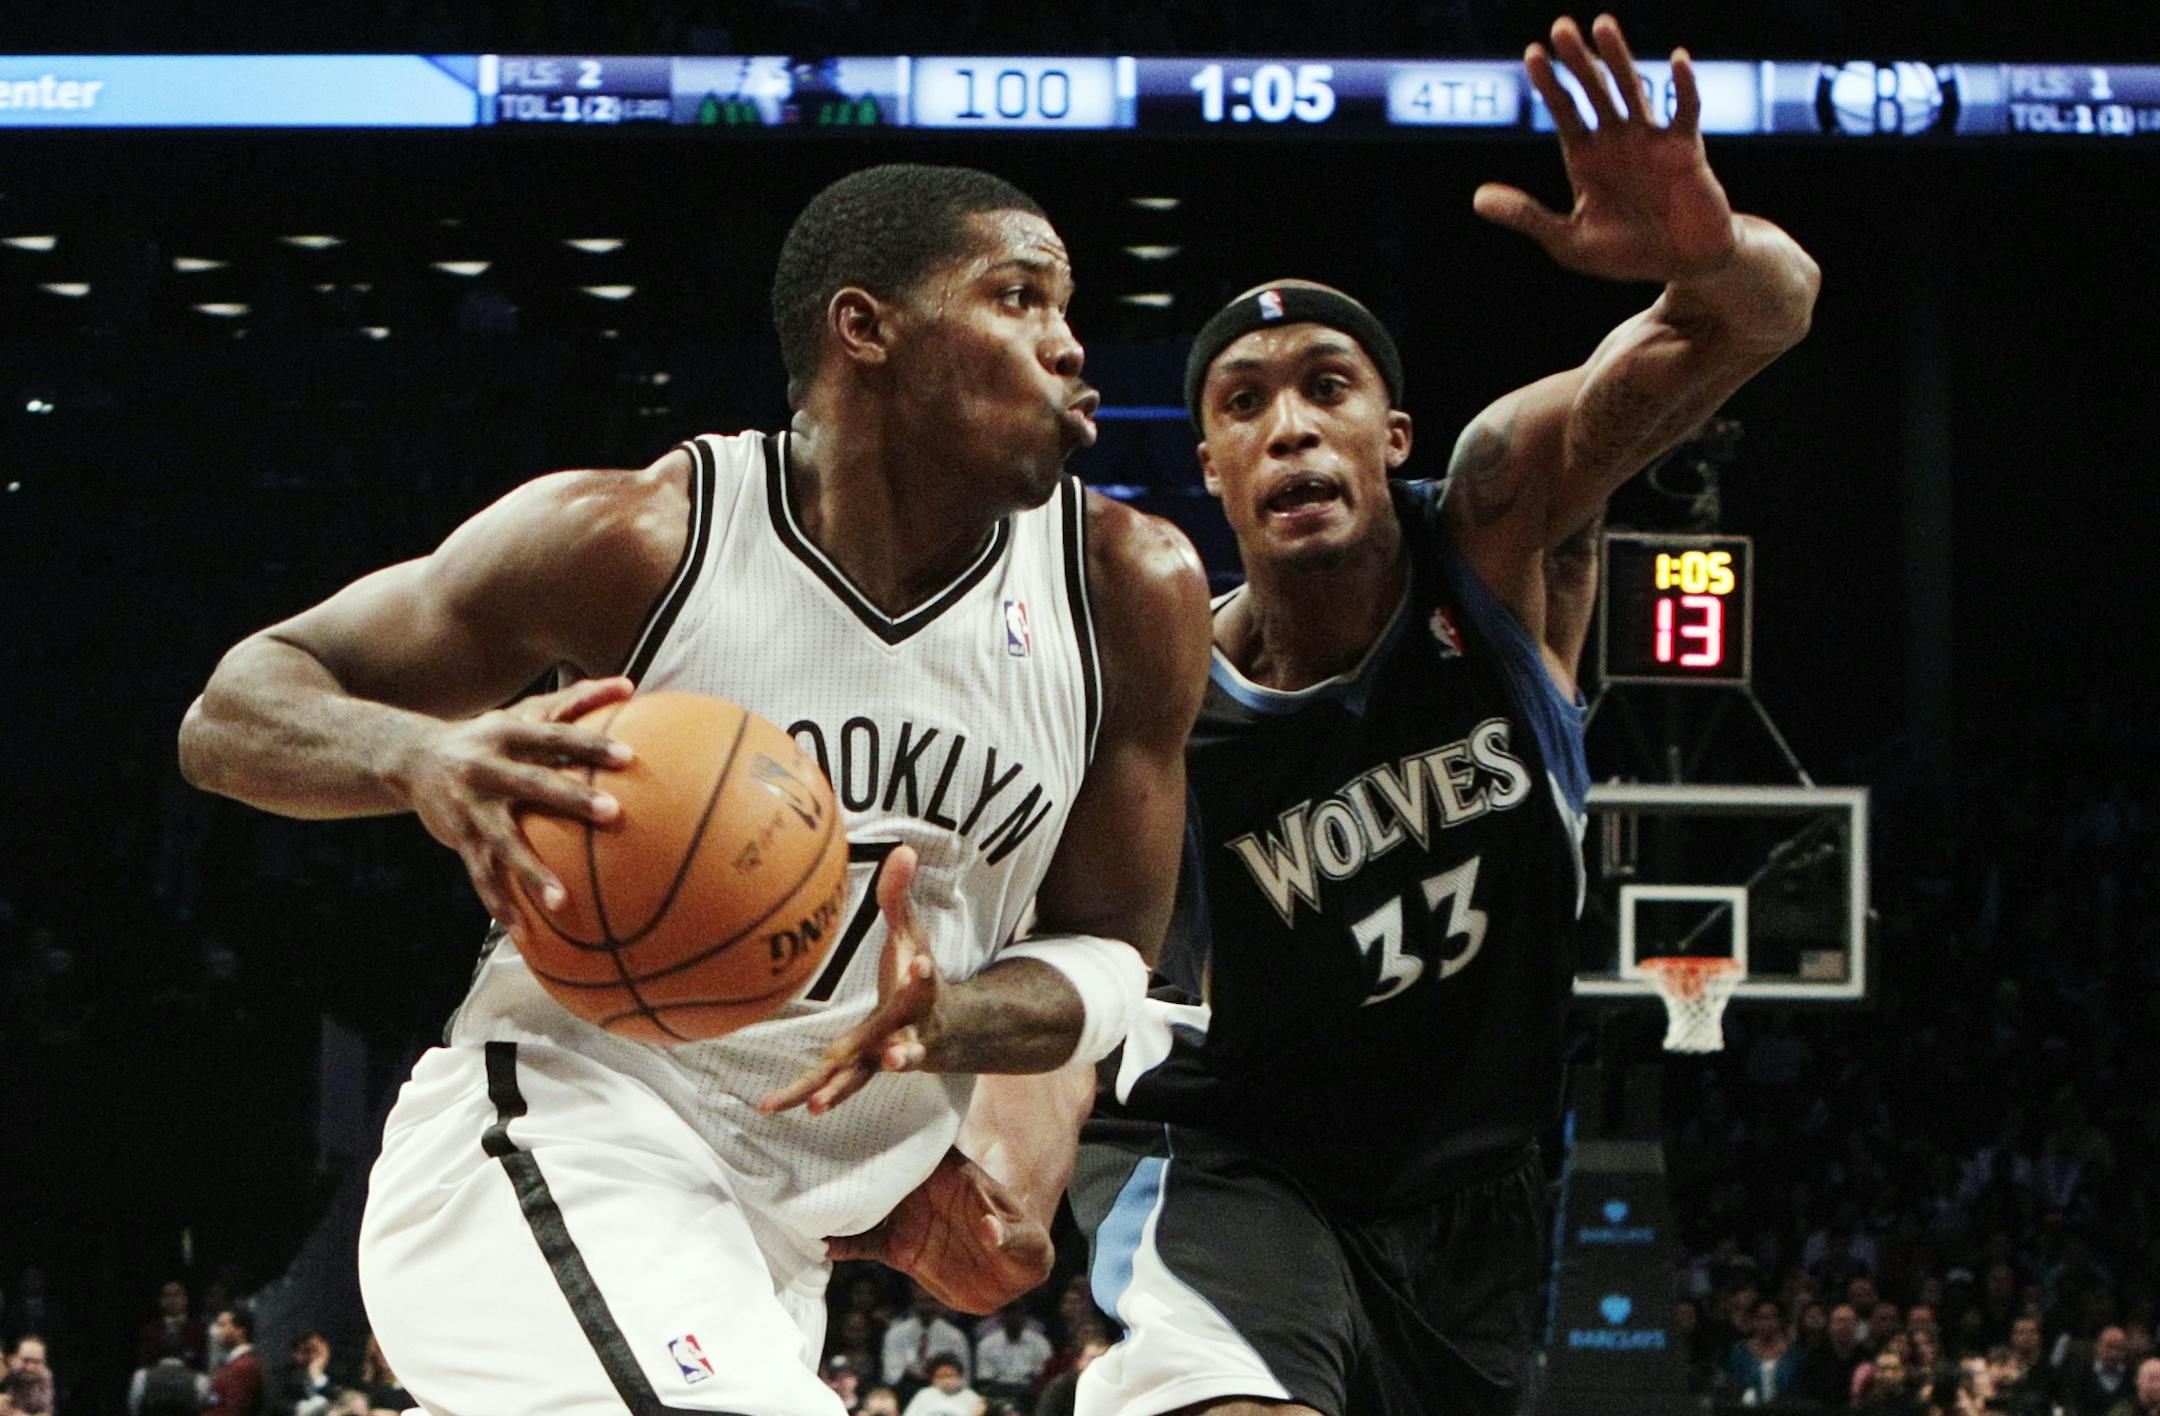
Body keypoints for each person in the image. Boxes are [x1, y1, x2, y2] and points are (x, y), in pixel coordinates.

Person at [178, 162, 1209, 1416]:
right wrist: (422, 757)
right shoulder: (643, 541)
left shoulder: (1127, 593)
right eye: (1019, 297)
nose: (1068, 343)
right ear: (865, 327)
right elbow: (234, 711)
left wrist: (959, 1020)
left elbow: (1110, 953)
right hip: (559, 1142)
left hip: (783, 1248)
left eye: (1067, 307)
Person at [1056, 14, 1819, 1416]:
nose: (1292, 426)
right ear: (1212, 468)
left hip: (1474, 1197)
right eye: (1245, 405)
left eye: (1327, 388)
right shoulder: (1160, 701)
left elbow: (1769, 311)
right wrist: (1002, 1163)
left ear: (1391, 436)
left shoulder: (1498, 530)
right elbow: (1088, 964)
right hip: (1238, 1163)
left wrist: (1709, 256)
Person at [206, 1309, 263, 1416]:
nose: (217, 1332)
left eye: (222, 1325)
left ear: (240, 1330)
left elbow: (233, 1411)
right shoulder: (234, 1364)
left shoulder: (244, 1366)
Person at [901, 1356, 983, 1416]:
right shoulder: (924, 1395)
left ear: (960, 1377)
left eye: (950, 1376)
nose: (946, 1381)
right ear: (933, 1379)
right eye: (941, 1376)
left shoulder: (971, 1397)